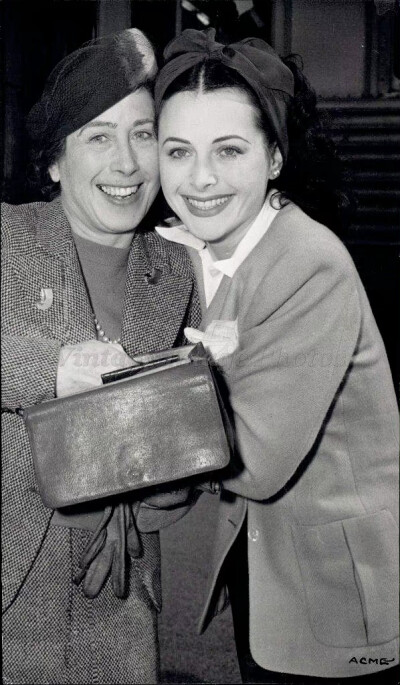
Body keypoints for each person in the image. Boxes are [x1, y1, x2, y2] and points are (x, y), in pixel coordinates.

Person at [154, 28, 399, 684]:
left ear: (274, 159)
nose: (199, 179)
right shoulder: (212, 250)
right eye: (178, 151)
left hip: (334, 590)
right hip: (263, 570)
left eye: (228, 150)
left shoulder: (308, 262)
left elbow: (255, 459)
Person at [1, 28, 201, 684]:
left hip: (119, 592)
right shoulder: (10, 238)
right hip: (13, 580)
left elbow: (185, 435)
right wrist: (54, 369)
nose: (127, 163)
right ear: (55, 161)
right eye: (98, 136)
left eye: (142, 134)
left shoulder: (176, 269)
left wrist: (178, 476)